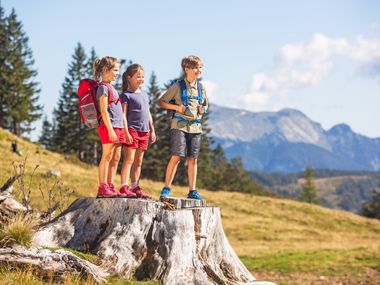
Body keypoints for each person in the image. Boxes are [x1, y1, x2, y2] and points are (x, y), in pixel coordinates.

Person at [158, 55, 208, 200]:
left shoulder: (201, 88)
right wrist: (176, 107)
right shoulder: (177, 86)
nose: (199, 70)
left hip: (195, 127)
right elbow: (161, 102)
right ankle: (166, 188)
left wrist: (202, 109)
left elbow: (205, 104)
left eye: (200, 68)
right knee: (177, 156)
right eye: (196, 68)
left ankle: (192, 190)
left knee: (193, 158)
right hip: (179, 125)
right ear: (187, 69)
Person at [94, 56, 130, 198]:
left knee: (116, 157)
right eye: (115, 70)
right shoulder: (103, 88)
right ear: (105, 70)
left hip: (118, 126)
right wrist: (110, 129)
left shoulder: (111, 87)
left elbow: (120, 112)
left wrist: (124, 130)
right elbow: (103, 111)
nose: (117, 73)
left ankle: (110, 184)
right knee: (107, 156)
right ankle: (102, 187)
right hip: (109, 127)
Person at [119, 64, 156, 199]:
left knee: (138, 161)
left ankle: (135, 186)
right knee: (129, 159)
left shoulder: (145, 95)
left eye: (142, 77)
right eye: (138, 76)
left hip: (144, 131)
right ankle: (124, 186)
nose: (141, 79)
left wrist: (152, 130)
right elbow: (122, 115)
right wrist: (126, 132)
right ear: (129, 78)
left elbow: (148, 113)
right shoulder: (125, 96)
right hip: (132, 130)